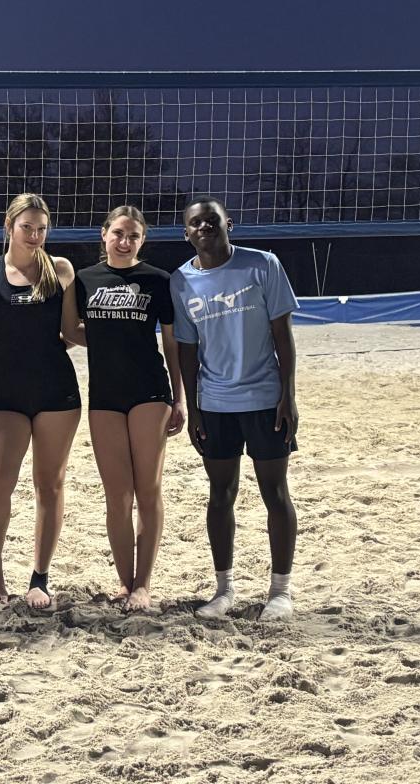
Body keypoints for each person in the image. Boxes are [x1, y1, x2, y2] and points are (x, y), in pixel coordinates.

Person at [171, 198, 300, 623]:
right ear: (186, 233)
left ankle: (280, 592)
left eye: (212, 220)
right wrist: (194, 408)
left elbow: (282, 334)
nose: (204, 227)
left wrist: (288, 395)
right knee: (220, 493)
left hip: (265, 399)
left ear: (229, 223)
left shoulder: (263, 264)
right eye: (196, 223)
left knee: (274, 492)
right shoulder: (182, 281)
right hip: (215, 403)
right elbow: (187, 350)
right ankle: (224, 589)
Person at [0, 194, 81, 608]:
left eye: (41, 229)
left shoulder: (60, 269)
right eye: (26, 227)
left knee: (50, 484)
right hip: (8, 391)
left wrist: (124, 332)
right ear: (9, 227)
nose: (34, 235)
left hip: (57, 390)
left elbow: (72, 332)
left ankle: (39, 577)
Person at [63, 205, 186, 611]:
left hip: (149, 392)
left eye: (133, 236)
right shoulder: (85, 280)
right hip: (105, 396)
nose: (124, 241)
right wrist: (105, 338)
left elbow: (172, 343)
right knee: (117, 496)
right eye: (118, 233)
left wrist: (180, 397)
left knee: (147, 490)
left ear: (142, 240)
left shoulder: (158, 280)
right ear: (104, 234)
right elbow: (70, 330)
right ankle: (124, 581)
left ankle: (143, 585)